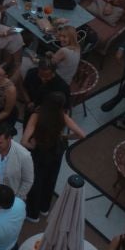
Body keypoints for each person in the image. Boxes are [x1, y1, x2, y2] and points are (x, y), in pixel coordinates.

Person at [21, 92, 83, 220]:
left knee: (36, 181)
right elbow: (81, 134)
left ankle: (33, 214)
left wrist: (32, 146)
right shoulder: (62, 116)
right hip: (55, 151)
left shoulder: (36, 116)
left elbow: (24, 141)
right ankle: (44, 208)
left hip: (40, 152)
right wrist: (65, 136)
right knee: (50, 179)